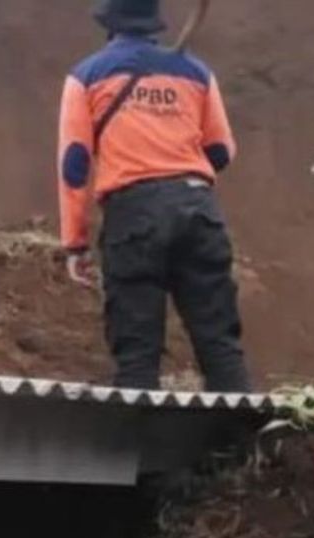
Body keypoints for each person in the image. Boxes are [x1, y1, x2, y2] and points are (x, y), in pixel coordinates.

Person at [56, 0, 251, 392]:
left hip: (134, 218)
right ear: (154, 24)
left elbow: (74, 166)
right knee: (221, 348)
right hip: (198, 211)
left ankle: (142, 449)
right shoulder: (196, 72)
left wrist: (74, 243)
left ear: (108, 25)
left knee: (137, 357)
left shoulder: (86, 76)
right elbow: (222, 151)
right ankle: (245, 448)